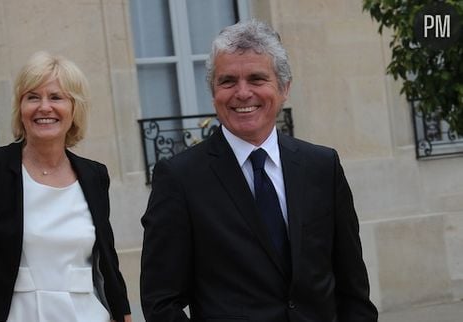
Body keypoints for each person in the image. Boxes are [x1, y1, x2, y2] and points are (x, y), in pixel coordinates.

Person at [140, 20, 378, 322]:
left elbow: (353, 288)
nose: (242, 93)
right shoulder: (179, 178)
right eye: (227, 81)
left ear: (284, 88)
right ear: (213, 93)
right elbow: (161, 301)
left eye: (256, 79)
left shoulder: (322, 166)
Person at [0, 51, 131, 322]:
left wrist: (124, 315)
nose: (44, 107)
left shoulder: (94, 175)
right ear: (20, 108)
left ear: (74, 109)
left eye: (56, 97)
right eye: (32, 97)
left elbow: (107, 261)